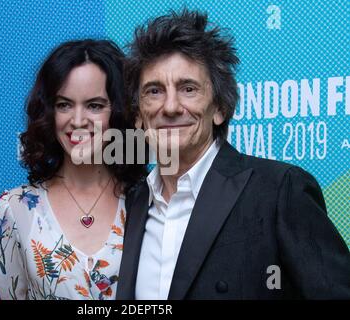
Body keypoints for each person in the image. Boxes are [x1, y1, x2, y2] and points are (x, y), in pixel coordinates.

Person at [117, 9, 350, 299]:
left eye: (188, 89)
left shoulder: (280, 190)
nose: (171, 107)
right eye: (154, 91)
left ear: (219, 109)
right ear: (139, 115)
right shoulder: (132, 202)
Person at [0, 39, 147, 300]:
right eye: (64, 104)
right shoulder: (15, 207)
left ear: (119, 112)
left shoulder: (149, 200)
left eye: (94, 105)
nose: (77, 120)